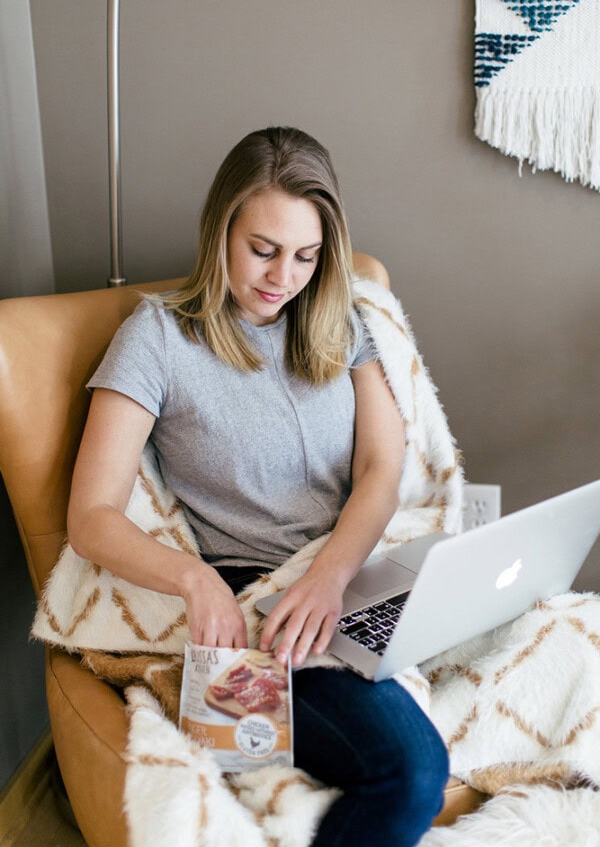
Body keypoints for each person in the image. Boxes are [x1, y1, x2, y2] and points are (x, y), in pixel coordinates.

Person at [67, 126, 449, 846]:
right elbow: (90, 516)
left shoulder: (341, 320)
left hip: (351, 572)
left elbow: (381, 469)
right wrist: (194, 580)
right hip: (254, 600)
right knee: (411, 770)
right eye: (263, 250)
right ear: (220, 232)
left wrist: (331, 577)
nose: (283, 278)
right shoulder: (157, 337)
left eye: (306, 256)